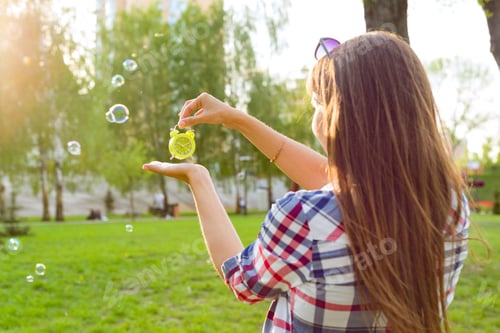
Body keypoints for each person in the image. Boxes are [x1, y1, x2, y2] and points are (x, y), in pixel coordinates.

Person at [143, 31, 470, 332]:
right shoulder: (450, 206)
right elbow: (332, 181)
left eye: (318, 103)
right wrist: (236, 119)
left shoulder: (303, 218)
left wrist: (197, 179)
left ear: (340, 117)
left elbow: (240, 279)